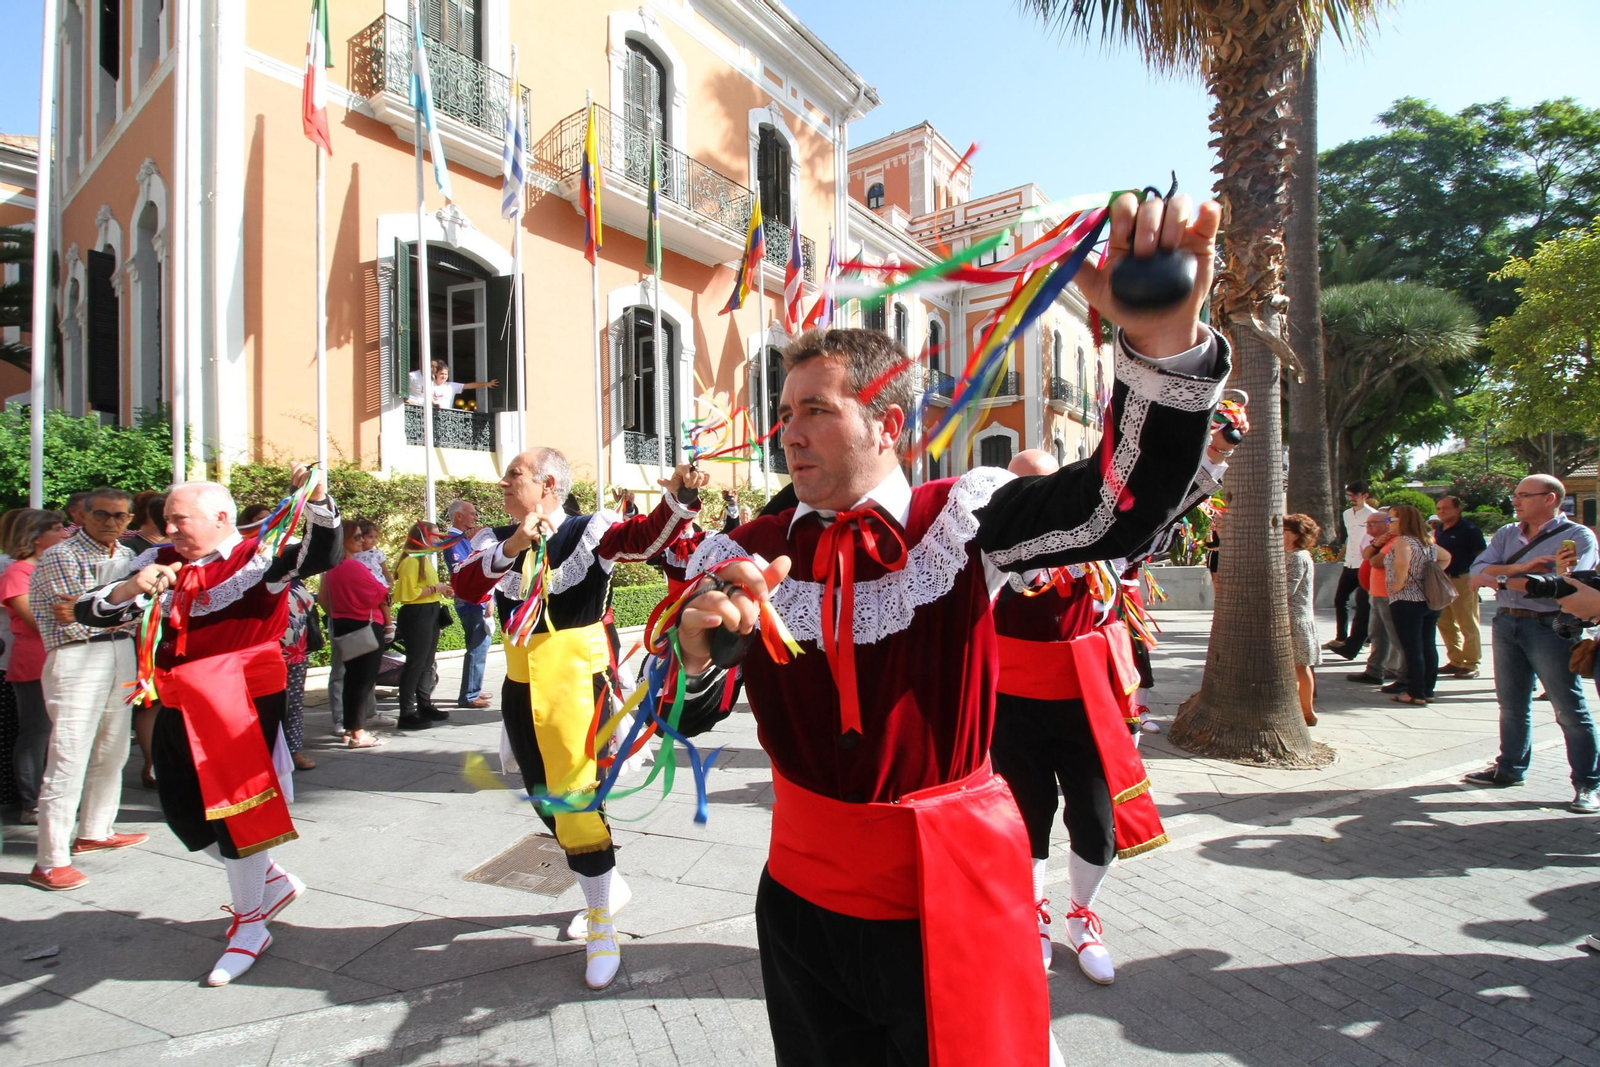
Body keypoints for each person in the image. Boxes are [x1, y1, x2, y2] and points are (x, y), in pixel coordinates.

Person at [671, 190, 1230, 1067]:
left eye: (816, 409)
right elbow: (687, 713)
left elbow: (1119, 506)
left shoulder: (964, 519)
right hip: (800, 912)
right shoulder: (748, 550)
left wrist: (1160, 348)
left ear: (889, 425)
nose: (789, 433)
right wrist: (697, 656)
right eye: (784, 413)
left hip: (949, 900)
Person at [451, 449, 708, 990]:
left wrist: (681, 497)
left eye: (514, 474)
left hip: (577, 687)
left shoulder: (589, 529)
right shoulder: (496, 539)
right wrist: (515, 545)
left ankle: (601, 921)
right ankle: (609, 884)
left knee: (575, 804)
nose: (503, 482)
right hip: (521, 688)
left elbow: (645, 538)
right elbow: (465, 588)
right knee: (546, 800)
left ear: (547, 483)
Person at [76, 468, 341, 984]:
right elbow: (91, 612)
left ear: (221, 517)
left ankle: (250, 924)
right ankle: (270, 881)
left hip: (238, 702)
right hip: (179, 699)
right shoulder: (158, 560)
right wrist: (130, 586)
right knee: (182, 812)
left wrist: (318, 497)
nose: (169, 528)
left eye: (180, 519)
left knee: (234, 813)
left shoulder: (258, 555)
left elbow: (323, 553)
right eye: (167, 520)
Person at [987, 444, 1234, 984]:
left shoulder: (1100, 542)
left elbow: (1158, 510)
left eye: (1043, 486)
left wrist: (1210, 456)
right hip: (1013, 705)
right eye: (1020, 488)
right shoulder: (990, 544)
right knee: (1027, 817)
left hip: (1087, 701)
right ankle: (1032, 912)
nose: (1033, 498)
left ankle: (1082, 914)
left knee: (1097, 820)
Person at [27, 488, 147, 892]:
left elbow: (110, 612)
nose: (111, 522)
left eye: (120, 516)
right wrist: (115, 611)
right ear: (83, 515)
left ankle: (95, 829)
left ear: (130, 519)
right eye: (102, 514)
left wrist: (99, 611)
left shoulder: (128, 555)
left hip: (120, 653)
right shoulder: (62, 554)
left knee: (113, 748)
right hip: (76, 657)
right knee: (69, 755)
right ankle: (50, 860)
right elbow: (73, 621)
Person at [1466, 474, 1599, 814]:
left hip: (1549, 627)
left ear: (1549, 498)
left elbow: (1568, 583)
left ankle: (1588, 783)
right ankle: (1510, 768)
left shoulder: (1577, 536)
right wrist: (1522, 569)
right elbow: (1476, 570)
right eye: (1515, 494)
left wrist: (1500, 579)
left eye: (1524, 495)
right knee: (1511, 704)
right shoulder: (1508, 532)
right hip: (1506, 621)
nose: (1515, 500)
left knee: (1569, 709)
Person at [1, 510, 68, 823]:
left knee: (57, 733)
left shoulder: (50, 568)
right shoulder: (17, 572)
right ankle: (31, 802)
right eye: (57, 528)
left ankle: (51, 796)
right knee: (37, 732)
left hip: (60, 657)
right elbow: (36, 621)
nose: (65, 533)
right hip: (34, 661)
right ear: (37, 537)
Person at [240, 503, 318, 772]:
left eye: (274, 519)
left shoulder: (287, 556)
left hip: (296, 645)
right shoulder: (246, 559)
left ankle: (293, 750)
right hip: (263, 646)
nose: (271, 524)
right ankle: (261, 753)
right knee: (263, 702)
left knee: (294, 700)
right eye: (261, 520)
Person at [323, 520, 392, 748]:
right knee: (363, 681)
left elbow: (323, 599)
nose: (362, 540)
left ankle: (350, 728)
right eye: (357, 537)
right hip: (365, 626)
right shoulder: (353, 566)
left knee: (351, 679)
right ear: (342, 540)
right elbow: (381, 593)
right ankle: (358, 733)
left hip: (343, 625)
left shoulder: (331, 568)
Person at [1385, 505, 1451, 706]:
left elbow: (1402, 562)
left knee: (1412, 647)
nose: (1388, 524)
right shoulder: (1427, 541)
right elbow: (1446, 557)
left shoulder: (1403, 541)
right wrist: (1428, 574)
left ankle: (1415, 692)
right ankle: (1427, 689)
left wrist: (1399, 582)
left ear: (1403, 521)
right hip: (1428, 599)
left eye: (1391, 520)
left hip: (1406, 599)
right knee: (1428, 644)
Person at [392, 521, 452, 729]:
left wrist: (440, 590)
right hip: (417, 614)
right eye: (434, 536)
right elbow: (408, 594)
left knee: (427, 662)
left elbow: (424, 588)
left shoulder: (422, 559)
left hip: (429, 611)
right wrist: (436, 588)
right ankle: (407, 712)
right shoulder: (411, 561)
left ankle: (424, 705)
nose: (437, 540)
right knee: (416, 663)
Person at [443, 499, 495, 709]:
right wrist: (488, 598)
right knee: (477, 645)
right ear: (459, 516)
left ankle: (474, 688)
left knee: (480, 644)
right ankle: (470, 695)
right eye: (472, 513)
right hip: (473, 601)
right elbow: (471, 572)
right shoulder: (454, 541)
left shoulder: (461, 539)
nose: (475, 517)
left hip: (475, 600)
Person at [1348, 509, 1405, 690]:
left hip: (1390, 595)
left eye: (1390, 520)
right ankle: (1374, 671)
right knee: (1377, 634)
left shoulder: (1399, 541)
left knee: (1396, 637)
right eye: (1368, 523)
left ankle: (1403, 675)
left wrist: (1377, 550)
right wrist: (1376, 545)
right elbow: (1366, 555)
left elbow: (1376, 562)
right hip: (1376, 593)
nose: (1369, 526)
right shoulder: (1383, 540)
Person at [1433, 494, 1486, 679]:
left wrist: (1479, 577)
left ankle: (1471, 663)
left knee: (1467, 622)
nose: (1441, 512)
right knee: (1444, 622)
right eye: (1439, 508)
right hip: (1442, 579)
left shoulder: (1470, 529)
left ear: (1457, 510)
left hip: (1462, 578)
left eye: (1446, 508)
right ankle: (1455, 660)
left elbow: (1482, 555)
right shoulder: (1439, 529)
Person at [1327, 481, 1377, 658]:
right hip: (1349, 563)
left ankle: (1365, 640)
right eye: (1349, 495)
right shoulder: (1347, 514)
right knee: (1340, 599)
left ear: (1365, 496)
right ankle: (1341, 637)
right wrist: (1339, 556)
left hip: (1364, 563)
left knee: (1363, 604)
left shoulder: (1373, 515)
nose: (1351, 499)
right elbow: (1350, 538)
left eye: (1355, 495)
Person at [1283, 514, 1321, 726]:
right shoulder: (1292, 555)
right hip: (1294, 617)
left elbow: (1288, 588)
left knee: (1300, 666)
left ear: (1296, 535)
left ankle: (1307, 711)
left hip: (1295, 618)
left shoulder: (1297, 557)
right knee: (1297, 667)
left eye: (1284, 530)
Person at [408, 359, 499, 408]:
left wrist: (486, 384)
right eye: (442, 374)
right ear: (435, 374)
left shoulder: (451, 386)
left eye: (446, 374)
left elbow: (468, 385)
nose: (444, 376)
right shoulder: (430, 383)